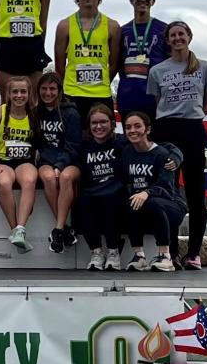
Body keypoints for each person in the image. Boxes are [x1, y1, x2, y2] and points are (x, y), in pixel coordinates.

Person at [147, 20, 207, 271]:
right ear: (167, 40)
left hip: (193, 131)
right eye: (173, 35)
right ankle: (172, 253)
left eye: (181, 34)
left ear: (189, 37)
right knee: (168, 192)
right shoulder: (157, 71)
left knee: (196, 194)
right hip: (166, 131)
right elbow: (158, 103)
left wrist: (191, 116)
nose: (177, 38)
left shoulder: (206, 68)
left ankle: (195, 254)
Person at [122, 112, 187, 272]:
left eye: (138, 126)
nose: (132, 130)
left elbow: (167, 188)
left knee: (152, 202)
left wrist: (147, 192)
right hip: (143, 204)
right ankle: (139, 256)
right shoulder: (127, 152)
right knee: (131, 200)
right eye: (128, 127)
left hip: (170, 203)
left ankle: (165, 256)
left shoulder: (162, 154)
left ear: (148, 129)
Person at [55, 0, 121, 123]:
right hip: (72, 93)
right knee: (73, 141)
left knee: (101, 140)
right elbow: (59, 67)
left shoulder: (113, 26)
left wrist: (101, 81)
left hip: (101, 94)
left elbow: (114, 64)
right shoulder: (64, 26)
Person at [74, 104, 129, 271]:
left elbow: (153, 146)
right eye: (94, 123)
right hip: (92, 191)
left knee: (109, 201)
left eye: (103, 122)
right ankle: (96, 252)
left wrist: (174, 157)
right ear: (89, 126)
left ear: (112, 123)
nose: (98, 126)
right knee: (82, 203)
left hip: (115, 191)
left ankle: (113, 251)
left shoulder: (122, 142)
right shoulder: (84, 147)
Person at [0, 77, 38, 253]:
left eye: (23, 91)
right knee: (5, 182)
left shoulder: (34, 114)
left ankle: (21, 228)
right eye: (15, 91)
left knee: (30, 180)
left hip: (25, 161)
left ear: (29, 94)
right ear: (8, 94)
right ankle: (14, 230)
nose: (19, 95)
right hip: (2, 160)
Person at [34, 73, 82, 254]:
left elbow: (74, 145)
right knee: (47, 177)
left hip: (70, 161)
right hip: (46, 160)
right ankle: (63, 229)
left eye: (52, 89)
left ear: (60, 91)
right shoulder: (35, 112)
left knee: (66, 177)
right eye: (44, 89)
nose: (48, 92)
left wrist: (60, 165)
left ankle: (59, 230)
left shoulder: (71, 112)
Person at [117, 0, 169, 120]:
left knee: (157, 141)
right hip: (128, 100)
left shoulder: (164, 29)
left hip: (156, 102)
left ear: (153, 1)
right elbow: (115, 63)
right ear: (131, 1)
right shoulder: (122, 31)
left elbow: (173, 64)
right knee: (131, 140)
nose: (143, 0)